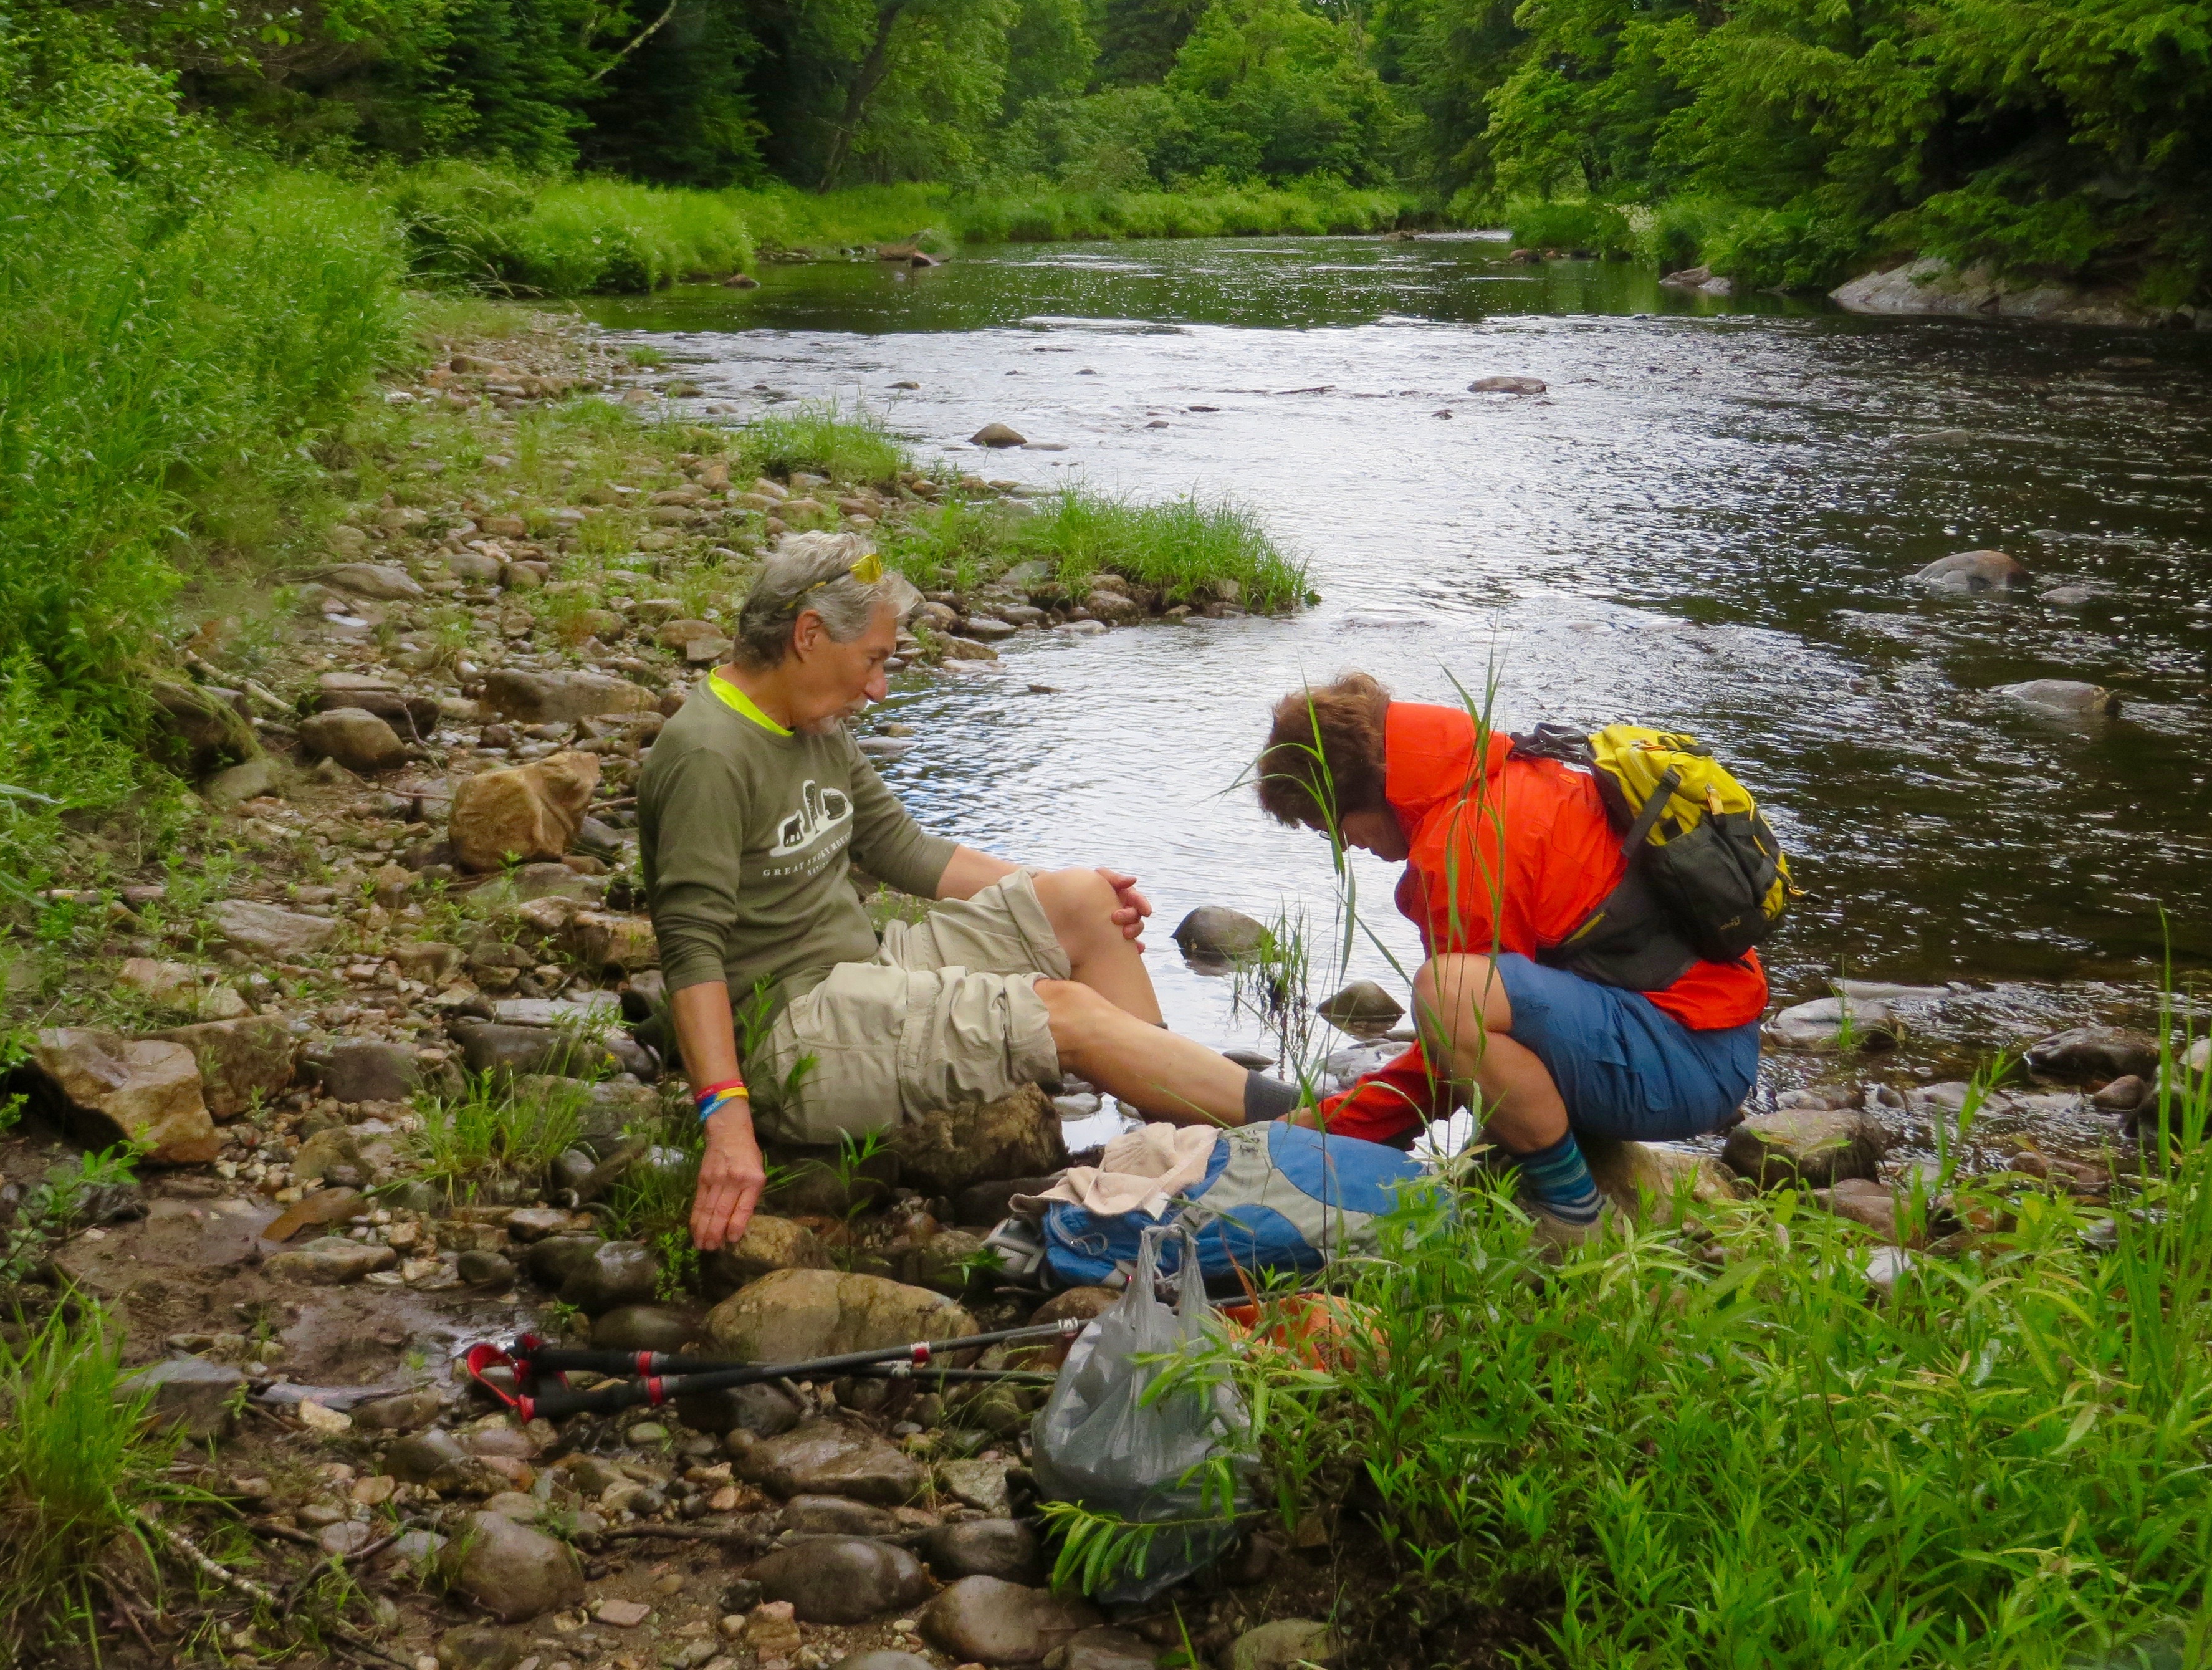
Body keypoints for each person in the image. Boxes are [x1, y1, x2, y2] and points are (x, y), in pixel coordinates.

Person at [641, 532, 1299, 1252]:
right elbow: (690, 948)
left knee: (1083, 901)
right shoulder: (708, 753)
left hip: (864, 970)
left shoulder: (813, 722)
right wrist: (725, 1118)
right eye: (874, 660)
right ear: (808, 635)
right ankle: (1319, 1126)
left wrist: (1057, 892)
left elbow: (903, 848)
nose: (878, 688)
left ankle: (1179, 1145)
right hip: (790, 1037)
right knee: (1065, 1015)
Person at [1255, 674, 1766, 1245]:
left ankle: (1573, 1212)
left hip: (1689, 1064)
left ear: (1359, 791)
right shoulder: (1495, 772)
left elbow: (1454, 1046)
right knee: (1459, 994)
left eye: (1335, 826)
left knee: (1449, 992)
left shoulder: (1466, 843)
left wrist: (1332, 1125)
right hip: (1701, 1037)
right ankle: (1542, 1163)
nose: (1346, 846)